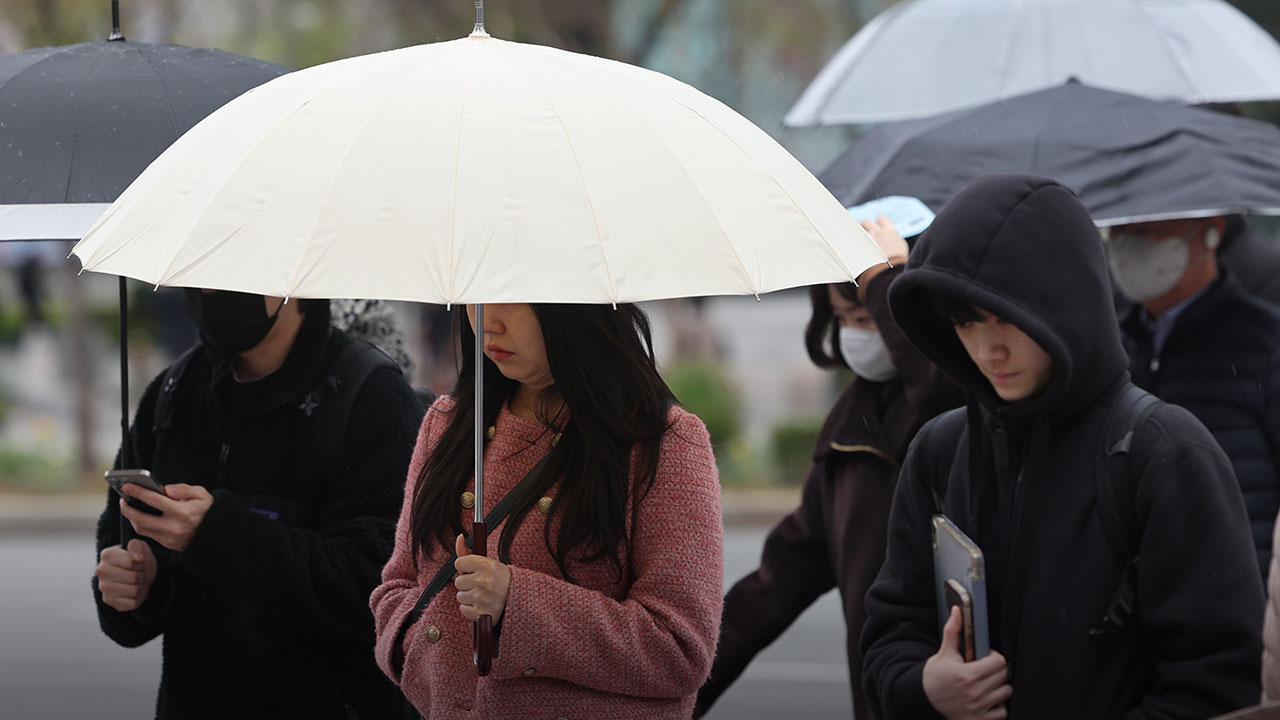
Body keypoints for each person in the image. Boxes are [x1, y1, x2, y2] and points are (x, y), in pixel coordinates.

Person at [862, 174, 1263, 719]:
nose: (986, 349)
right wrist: (923, 686)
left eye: (1005, 317)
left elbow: (1215, 683)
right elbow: (891, 629)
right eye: (964, 322)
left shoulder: (1166, 455)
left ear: (1065, 304)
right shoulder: (940, 450)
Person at [371, 302, 722, 719]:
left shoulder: (660, 441)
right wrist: (419, 655)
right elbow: (397, 585)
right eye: (478, 295)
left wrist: (516, 602)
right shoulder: (447, 425)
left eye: (515, 298)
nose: (488, 321)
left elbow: (679, 648)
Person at [92, 289, 424, 719]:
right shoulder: (174, 392)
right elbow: (125, 566)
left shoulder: (371, 393)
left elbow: (379, 588)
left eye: (234, 269)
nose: (214, 290)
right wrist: (138, 588)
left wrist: (216, 535)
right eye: (200, 271)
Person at [696, 211, 962, 719]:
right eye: (845, 319)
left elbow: (941, 386)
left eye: (872, 315)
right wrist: (681, 687)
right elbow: (777, 583)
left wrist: (886, 279)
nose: (857, 334)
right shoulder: (849, 426)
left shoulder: (965, 412)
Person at [1109, 215, 1280, 579]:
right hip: (1141, 600)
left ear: (1210, 229)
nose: (1127, 245)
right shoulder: (1111, 348)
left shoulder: (1266, 345)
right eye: (1118, 231)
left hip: (1247, 598)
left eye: (1145, 231)